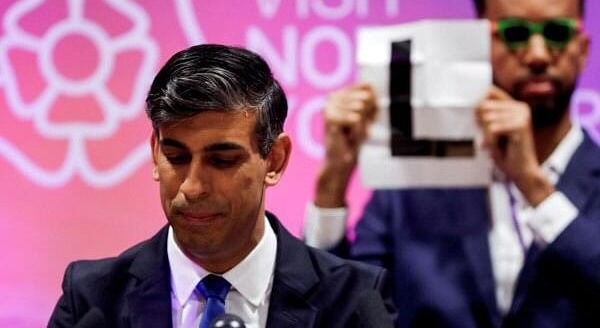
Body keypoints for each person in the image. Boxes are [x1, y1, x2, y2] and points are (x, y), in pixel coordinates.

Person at [305, 0, 600, 327]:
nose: (536, 55)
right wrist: (332, 183)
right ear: (478, 45)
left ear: (583, 49)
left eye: (557, 32)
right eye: (514, 33)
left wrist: (535, 188)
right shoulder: (412, 177)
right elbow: (341, 311)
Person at [48, 44, 395, 328]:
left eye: (222, 160)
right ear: (155, 153)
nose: (193, 187)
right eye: (176, 157)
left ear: (274, 160)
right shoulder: (92, 301)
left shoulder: (354, 303)